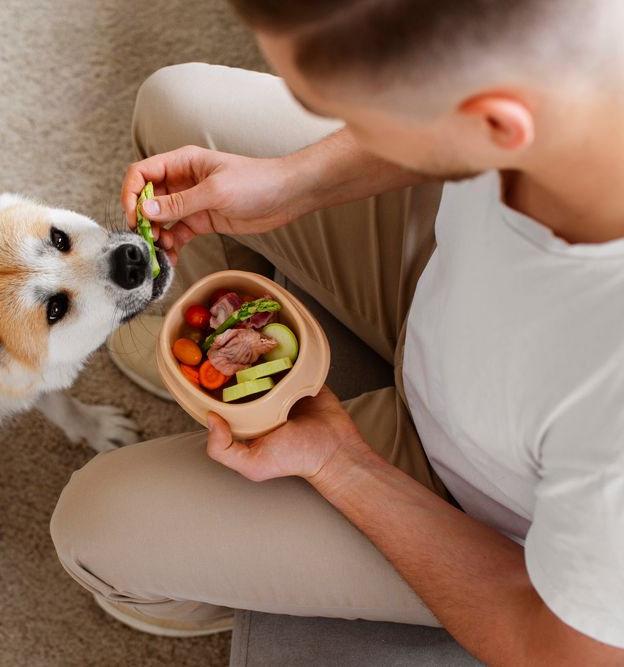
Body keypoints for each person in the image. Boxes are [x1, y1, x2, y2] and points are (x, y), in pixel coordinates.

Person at [50, 1, 624, 663]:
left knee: (95, 526)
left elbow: (553, 645)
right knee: (173, 106)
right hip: (446, 278)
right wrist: (294, 182)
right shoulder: (567, 61)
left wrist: (342, 465)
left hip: (475, 501)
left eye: (355, 116)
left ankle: (214, 590)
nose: (340, 127)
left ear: (494, 125)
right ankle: (208, 374)